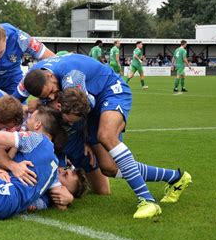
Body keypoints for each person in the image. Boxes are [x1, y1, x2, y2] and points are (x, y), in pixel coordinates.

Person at [14, 54, 192, 218]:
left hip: (109, 90)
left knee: (106, 135)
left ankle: (147, 200)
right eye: (47, 96)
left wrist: (84, 136)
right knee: (109, 168)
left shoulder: (72, 77)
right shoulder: (34, 77)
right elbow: (15, 99)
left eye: (52, 91)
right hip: (86, 105)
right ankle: (176, 178)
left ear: (51, 77)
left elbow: (81, 108)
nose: (53, 96)